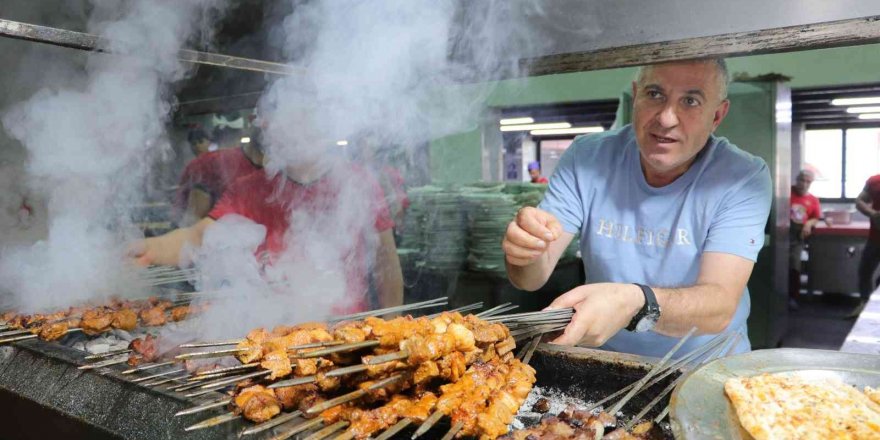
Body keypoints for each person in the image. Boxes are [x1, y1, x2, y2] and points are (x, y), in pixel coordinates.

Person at [502, 58, 772, 358]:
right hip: (607, 361)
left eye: (691, 101)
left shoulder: (743, 177)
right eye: (655, 94)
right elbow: (530, 278)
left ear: (717, 115)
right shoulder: (587, 158)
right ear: (635, 95)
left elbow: (719, 306)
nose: (667, 118)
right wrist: (525, 250)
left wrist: (636, 302)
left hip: (707, 366)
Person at [133, 143, 404, 312]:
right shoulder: (249, 187)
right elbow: (199, 236)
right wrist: (151, 249)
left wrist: (392, 325)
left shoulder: (357, 181)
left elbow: (386, 261)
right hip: (273, 332)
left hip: (347, 333)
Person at [174, 129, 265, 226]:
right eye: (194, 143)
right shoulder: (209, 164)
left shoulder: (277, 176)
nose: (197, 146)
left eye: (200, 142)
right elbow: (191, 223)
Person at [788, 169, 823, 309]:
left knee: (794, 266)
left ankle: (792, 297)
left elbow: (816, 217)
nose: (804, 183)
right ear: (796, 179)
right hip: (782, 233)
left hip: (798, 237)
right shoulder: (785, 193)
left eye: (808, 181)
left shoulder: (813, 200)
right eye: (802, 180)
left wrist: (809, 223)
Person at [854, 174, 880, 318]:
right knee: (864, 272)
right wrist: (873, 214)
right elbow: (859, 201)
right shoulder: (874, 181)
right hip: (875, 239)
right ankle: (865, 303)